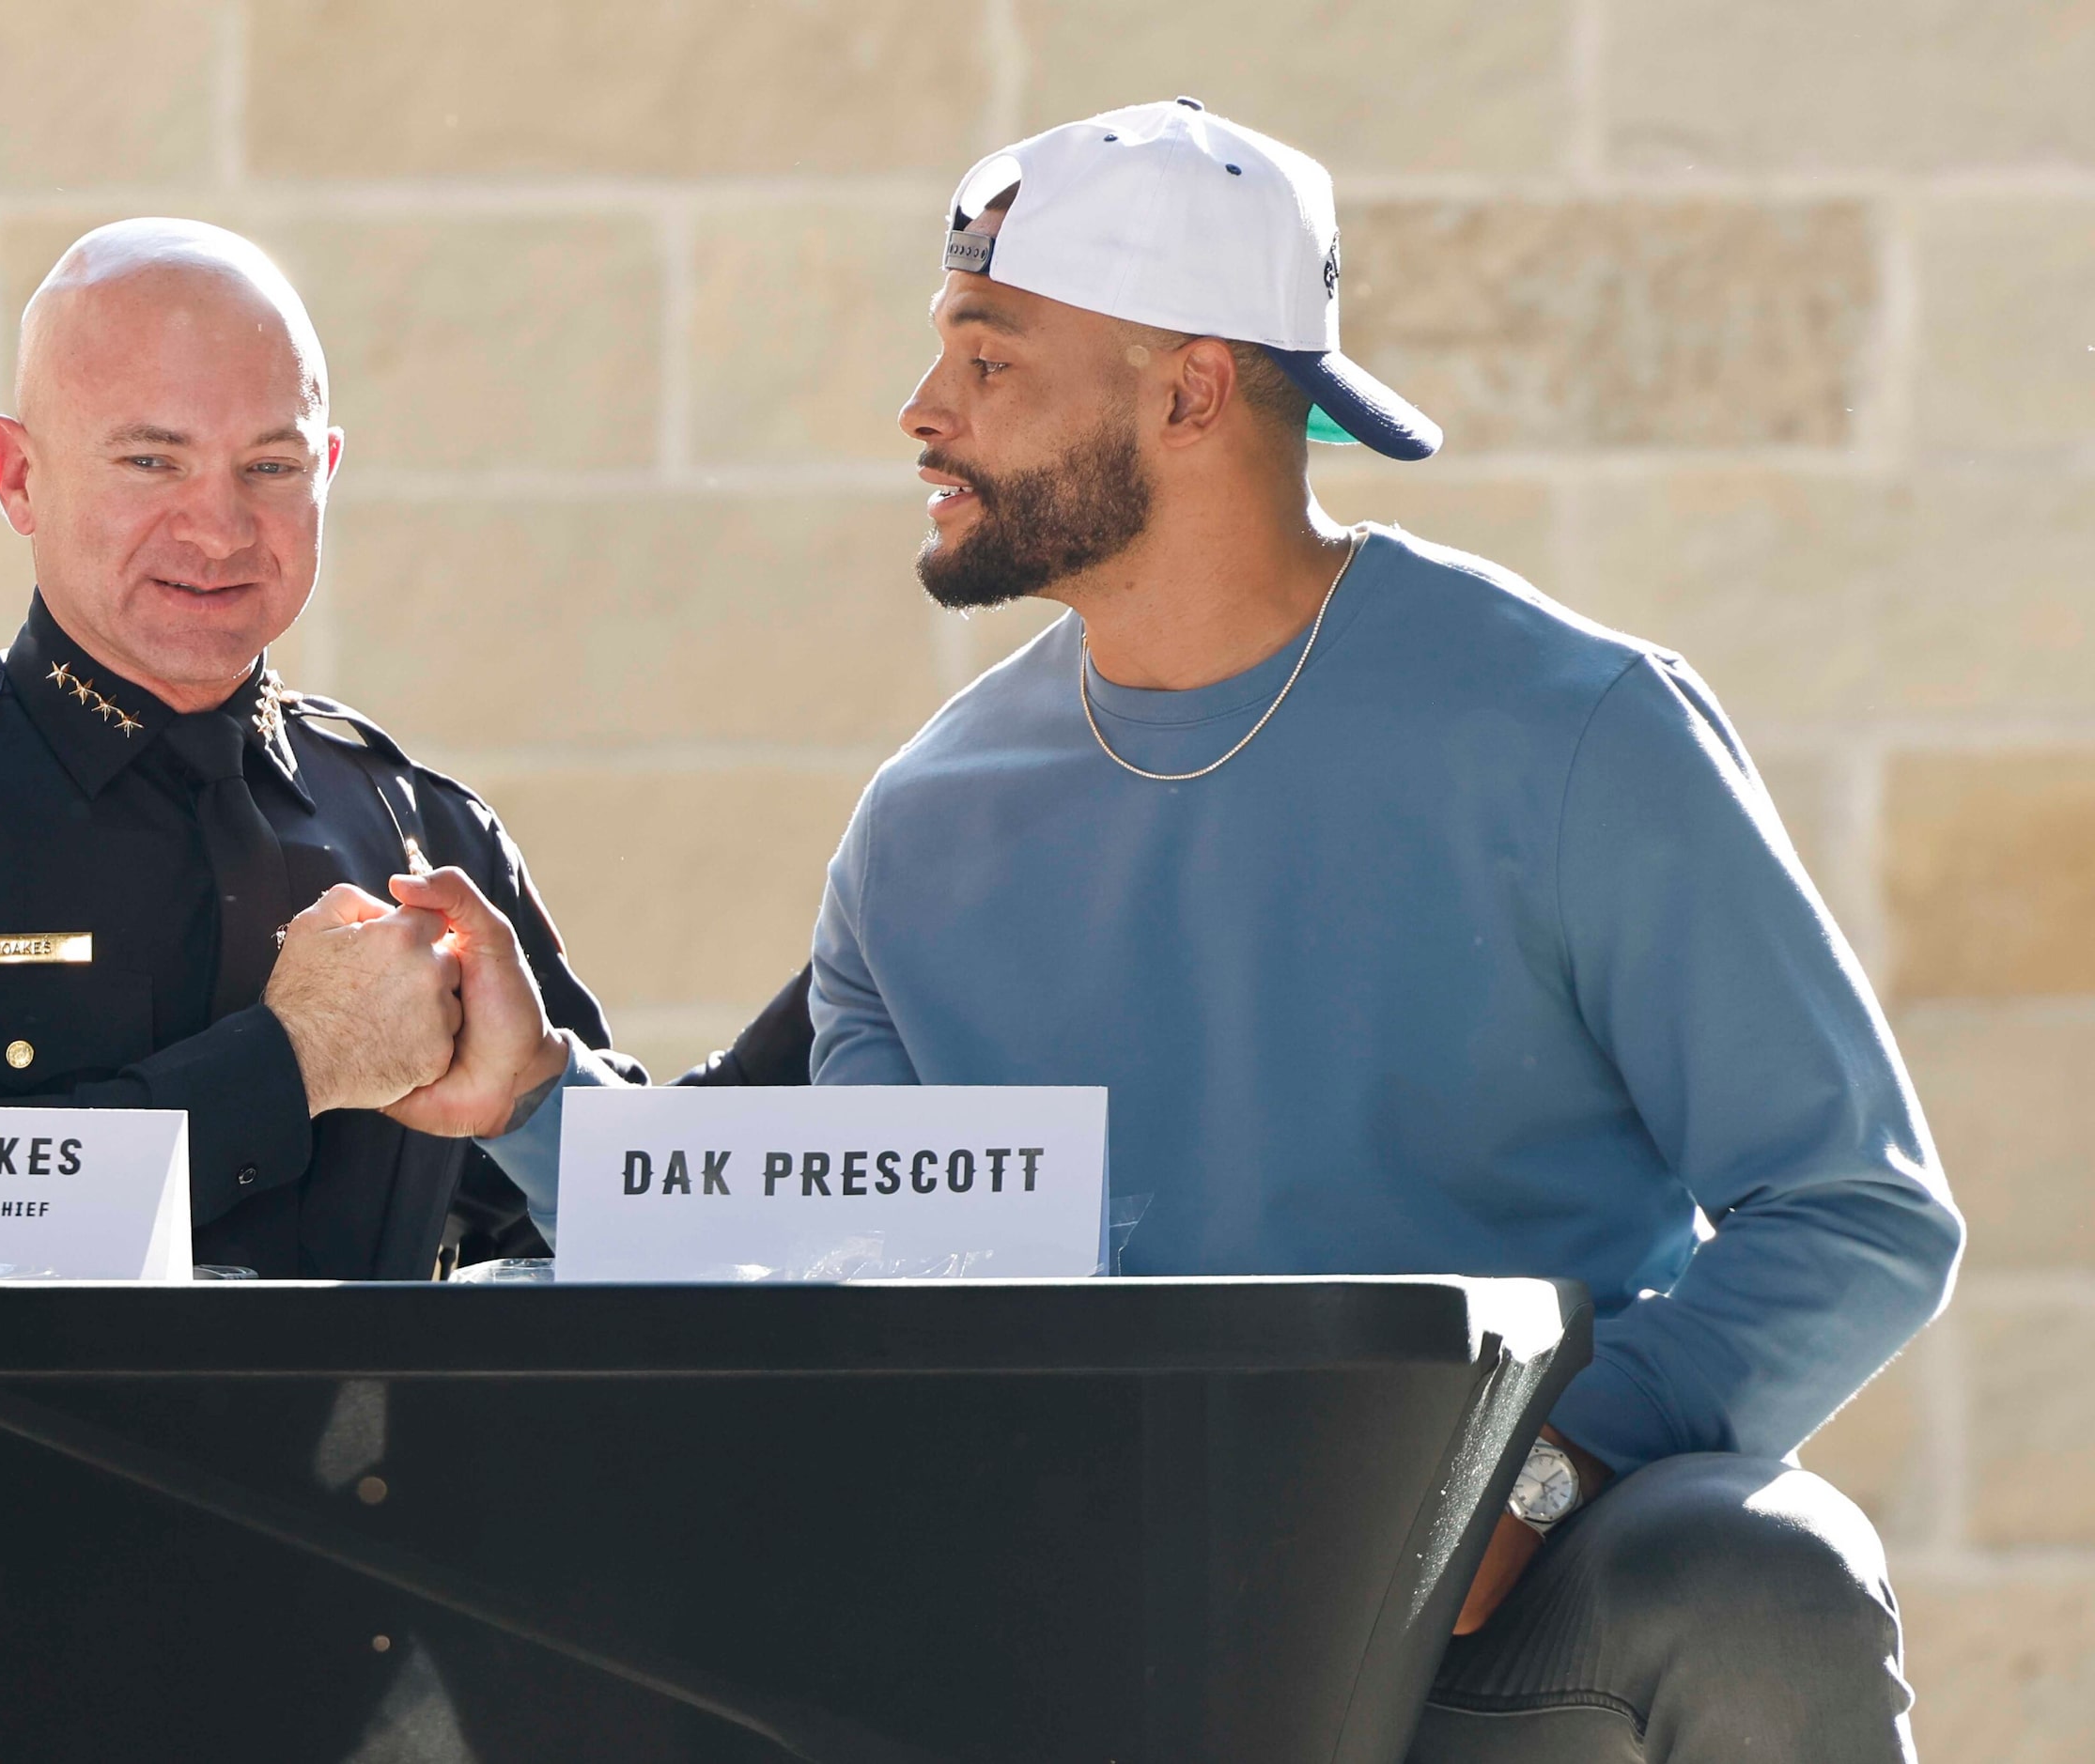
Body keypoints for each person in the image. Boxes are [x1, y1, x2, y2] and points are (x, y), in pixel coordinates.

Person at [444, 102, 1962, 1759]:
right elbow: (831, 1241)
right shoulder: (924, 825)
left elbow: (1853, 1210)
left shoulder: (1576, 732)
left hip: (1503, 1622)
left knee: (1764, 1565)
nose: (923, 412)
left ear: (1187, 389)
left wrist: (1535, 1467)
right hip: (1076, 1631)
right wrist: (529, 1107)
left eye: (992, 359)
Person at [0, 217, 803, 1279]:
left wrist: (538, 1097)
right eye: (150, 462)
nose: (219, 529)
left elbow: (632, 1266)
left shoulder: (420, 829)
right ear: (18, 476)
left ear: (326, 468)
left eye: (268, 469)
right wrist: (291, 1063)